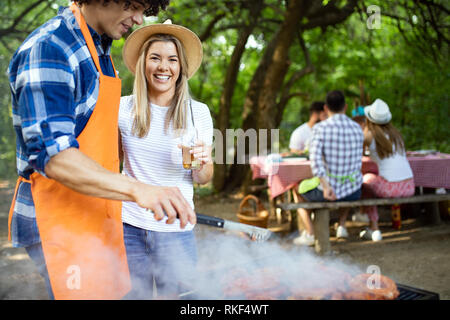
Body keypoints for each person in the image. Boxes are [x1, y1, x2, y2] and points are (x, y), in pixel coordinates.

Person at [7, 0, 197, 300]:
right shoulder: (50, 49)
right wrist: (139, 189)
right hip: (61, 218)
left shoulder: (99, 48)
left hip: (98, 215)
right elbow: (55, 157)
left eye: (144, 11)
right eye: (133, 6)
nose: (137, 20)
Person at [119, 20, 213, 298]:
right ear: (142, 63)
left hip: (176, 227)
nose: (163, 67)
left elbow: (203, 179)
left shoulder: (198, 113)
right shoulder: (122, 109)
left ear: (180, 67)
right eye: (155, 58)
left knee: (182, 300)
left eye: (172, 59)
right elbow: (109, 165)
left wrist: (204, 162)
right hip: (129, 227)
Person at [297, 90, 364, 241]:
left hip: (329, 192)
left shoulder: (320, 129)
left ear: (326, 109)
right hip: (354, 192)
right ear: (345, 107)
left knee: (298, 190)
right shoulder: (357, 129)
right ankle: (341, 225)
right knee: (346, 189)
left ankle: (310, 233)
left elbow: (315, 162)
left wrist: (326, 186)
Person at [359, 99, 414, 242]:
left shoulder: (368, 136)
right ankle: (370, 222)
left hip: (391, 188)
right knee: (374, 179)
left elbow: (358, 155)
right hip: (409, 186)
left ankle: (374, 227)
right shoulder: (397, 135)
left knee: (365, 181)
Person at [290, 101, 326, 246]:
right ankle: (309, 230)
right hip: (317, 178)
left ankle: (310, 232)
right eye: (324, 113)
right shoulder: (300, 132)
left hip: (323, 182)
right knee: (298, 186)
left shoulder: (325, 129)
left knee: (298, 189)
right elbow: (293, 153)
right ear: (317, 114)